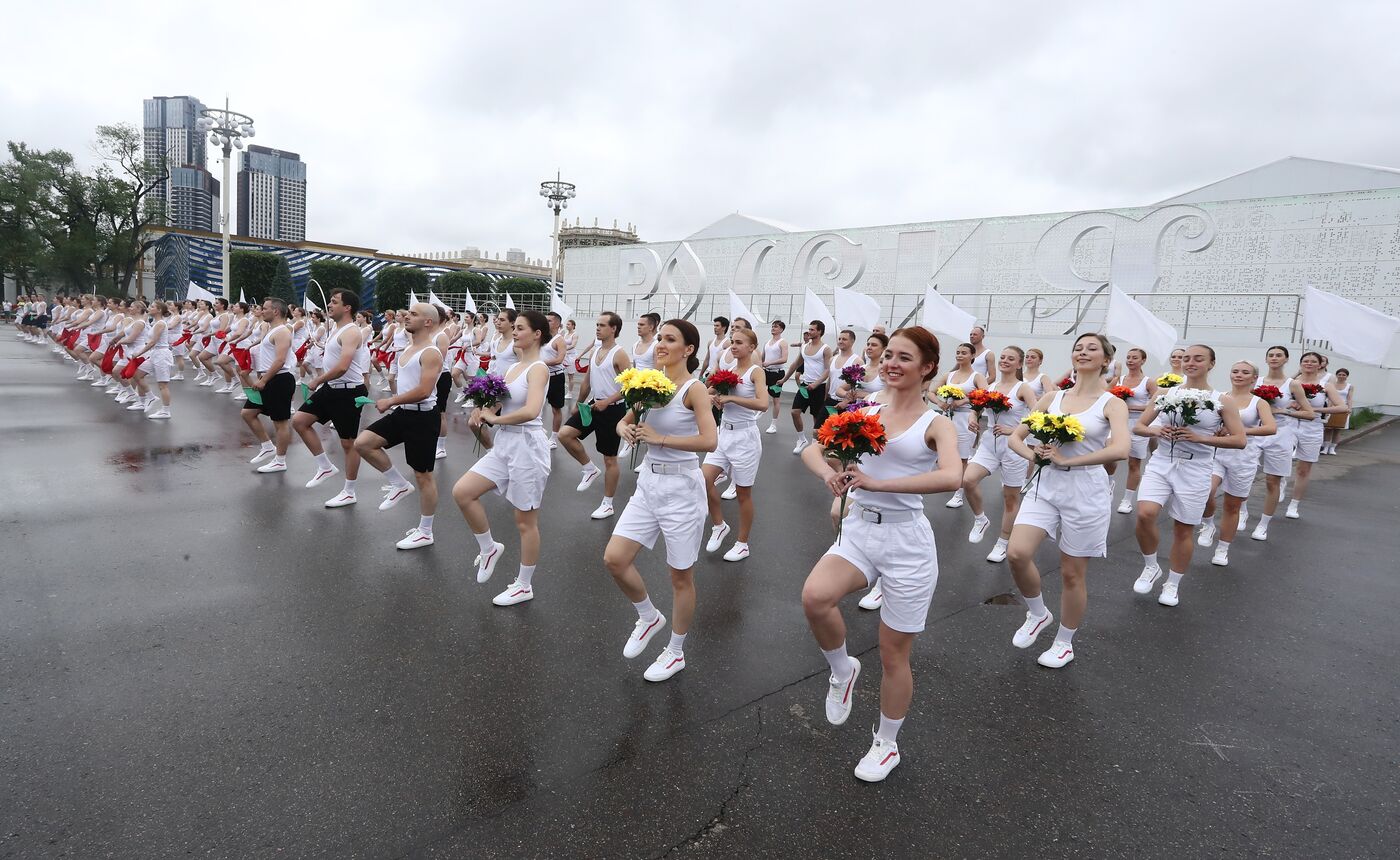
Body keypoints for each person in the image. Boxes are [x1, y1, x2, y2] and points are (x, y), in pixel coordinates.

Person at [799, 326, 961, 782]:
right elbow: (814, 449)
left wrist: (879, 484)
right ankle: (842, 669)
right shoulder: (863, 410)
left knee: (893, 653)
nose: (891, 363)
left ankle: (886, 743)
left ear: (928, 367)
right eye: (888, 355)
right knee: (815, 598)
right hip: (858, 531)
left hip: (906, 543)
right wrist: (829, 477)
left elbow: (952, 476)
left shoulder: (937, 424)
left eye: (904, 357)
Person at [1004, 333, 1130, 669]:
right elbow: (1017, 437)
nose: (1083, 352)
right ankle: (1037, 613)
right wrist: (1035, 452)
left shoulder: (1111, 403)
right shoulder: (1051, 398)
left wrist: (1068, 460)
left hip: (1085, 491)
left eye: (1092, 349)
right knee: (1016, 553)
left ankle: (1064, 642)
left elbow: (1120, 449)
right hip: (1046, 485)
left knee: (1072, 573)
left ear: (1106, 360)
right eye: (1078, 348)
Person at [603, 319, 717, 682]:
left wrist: (661, 440)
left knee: (680, 576)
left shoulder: (693, 389)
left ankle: (676, 651)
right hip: (648, 484)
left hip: (682, 488)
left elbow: (710, 441)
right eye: (661, 339)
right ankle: (649, 616)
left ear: (688, 350)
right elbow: (625, 420)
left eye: (670, 339)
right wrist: (627, 429)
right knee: (615, 559)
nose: (661, 345)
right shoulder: (647, 382)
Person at [1131, 344, 1245, 607]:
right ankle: (1151, 566)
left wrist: (1201, 438)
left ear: (1211, 364)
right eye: (1186, 358)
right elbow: (1139, 426)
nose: (1189, 362)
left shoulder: (1222, 400)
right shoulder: (1164, 392)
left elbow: (1240, 440)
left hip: (1196, 467)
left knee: (1183, 529)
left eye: (1198, 359)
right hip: (1161, 462)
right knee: (1145, 513)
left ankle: (1173, 583)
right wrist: (1156, 432)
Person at [454, 310, 553, 604]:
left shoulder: (539, 368)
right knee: (463, 492)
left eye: (520, 328)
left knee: (525, 521)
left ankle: (524, 584)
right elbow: (500, 405)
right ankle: (489, 548)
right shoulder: (512, 369)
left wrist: (494, 420)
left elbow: (532, 410)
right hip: (505, 444)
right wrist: (482, 412)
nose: (515, 332)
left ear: (537, 334)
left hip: (528, 446)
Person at [353, 303, 446, 548]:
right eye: (407, 313)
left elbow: (425, 391)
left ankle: (426, 531)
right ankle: (398, 484)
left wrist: (391, 400)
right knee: (363, 443)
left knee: (423, 475)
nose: (407, 316)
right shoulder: (409, 347)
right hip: (403, 413)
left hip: (423, 417)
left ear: (428, 322)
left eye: (414, 314)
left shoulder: (430, 352)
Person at [293, 289, 369, 507]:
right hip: (331, 388)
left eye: (334, 302)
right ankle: (325, 466)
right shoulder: (336, 329)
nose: (329, 305)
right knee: (299, 421)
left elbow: (343, 367)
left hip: (349, 391)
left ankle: (349, 491)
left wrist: (318, 380)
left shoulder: (352, 331)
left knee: (348, 443)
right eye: (329, 301)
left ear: (348, 308)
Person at [963, 347, 1039, 562]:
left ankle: (1002, 542)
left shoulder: (1022, 388)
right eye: (1003, 357)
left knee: (1010, 498)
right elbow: (976, 406)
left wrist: (1014, 431)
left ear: (1019, 364)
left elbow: (1038, 415)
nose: (1004, 360)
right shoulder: (992, 386)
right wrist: (972, 417)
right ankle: (980, 519)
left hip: (1013, 449)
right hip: (989, 444)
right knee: (968, 480)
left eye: (1010, 358)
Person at [1196, 361, 1276, 566]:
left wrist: (1240, 430)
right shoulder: (1220, 398)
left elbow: (1270, 428)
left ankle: (1223, 548)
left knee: (1232, 506)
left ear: (1254, 378)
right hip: (1218, 454)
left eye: (1245, 372)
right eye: (1235, 371)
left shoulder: (1258, 402)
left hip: (1244, 458)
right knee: (1205, 493)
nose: (1239, 375)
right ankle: (1208, 524)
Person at [701, 326, 770, 561]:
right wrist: (711, 397)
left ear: (752, 347)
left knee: (743, 494)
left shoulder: (755, 372)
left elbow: (763, 404)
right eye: (732, 341)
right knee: (703, 480)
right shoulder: (727, 368)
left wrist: (731, 397)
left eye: (739, 342)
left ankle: (742, 543)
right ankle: (719, 526)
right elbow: (707, 391)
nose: (734, 345)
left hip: (745, 439)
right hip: (723, 435)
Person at [559, 312, 632, 520]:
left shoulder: (619, 354)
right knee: (565, 434)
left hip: (612, 409)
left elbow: (630, 387)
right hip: (592, 405)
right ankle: (589, 469)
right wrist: (579, 403)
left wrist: (607, 401)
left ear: (613, 329)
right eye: (597, 325)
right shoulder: (596, 351)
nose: (597, 328)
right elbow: (586, 382)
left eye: (602, 325)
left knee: (610, 459)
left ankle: (608, 504)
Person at [1279, 351, 1347, 519]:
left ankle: (1294, 504)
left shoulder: (1325, 386)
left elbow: (1343, 407)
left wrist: (1315, 409)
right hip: (1289, 424)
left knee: (1303, 469)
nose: (1309, 363)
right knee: (1282, 455)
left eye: (1313, 361)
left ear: (1320, 365)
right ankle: (1280, 480)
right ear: (1300, 364)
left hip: (1312, 426)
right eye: (1305, 361)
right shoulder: (1290, 383)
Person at [242, 299, 297, 473]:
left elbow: (280, 360)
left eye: (264, 308)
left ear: (275, 311)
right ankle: (267, 446)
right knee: (248, 413)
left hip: (279, 380)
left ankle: (280, 460)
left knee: (280, 423)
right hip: (270, 379)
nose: (261, 311)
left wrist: (264, 379)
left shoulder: (282, 331)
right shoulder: (271, 329)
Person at [932, 343, 985, 508]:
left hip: (965, 418)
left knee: (963, 457)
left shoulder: (976, 376)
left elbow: (985, 394)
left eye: (964, 353)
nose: (960, 355)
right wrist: (940, 404)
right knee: (941, 452)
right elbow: (931, 391)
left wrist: (965, 400)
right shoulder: (949, 374)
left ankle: (959, 494)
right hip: (947, 418)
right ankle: (945, 480)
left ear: (972, 356)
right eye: (958, 352)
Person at [1114, 348, 1159, 514]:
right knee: (1110, 458)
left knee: (1134, 463)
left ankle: (1127, 499)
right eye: (1128, 357)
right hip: (1118, 423)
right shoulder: (1119, 379)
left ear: (1143, 360)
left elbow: (1157, 404)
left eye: (1134, 358)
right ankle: (1109, 484)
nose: (1130, 360)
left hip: (1137, 424)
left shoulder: (1148, 382)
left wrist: (1132, 407)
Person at [780, 320, 832, 455]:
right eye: (809, 329)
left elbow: (828, 370)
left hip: (819, 387)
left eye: (812, 330)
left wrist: (816, 383)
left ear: (820, 331)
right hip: (804, 387)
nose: (809, 332)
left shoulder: (825, 349)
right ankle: (802, 439)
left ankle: (815, 445)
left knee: (817, 418)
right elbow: (795, 364)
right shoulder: (804, 346)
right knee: (794, 412)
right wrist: (784, 379)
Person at [126, 301, 175, 420]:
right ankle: (150, 397)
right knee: (137, 374)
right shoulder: (155, 322)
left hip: (162, 354)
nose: (149, 308)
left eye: (152, 307)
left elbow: (153, 342)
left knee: (162, 384)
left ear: (159, 310)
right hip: (155, 353)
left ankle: (165, 411)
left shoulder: (160, 323)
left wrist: (139, 353)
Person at [541, 311, 569, 449]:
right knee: (536, 404)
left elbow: (559, 359)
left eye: (550, 321)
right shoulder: (542, 337)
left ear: (558, 324)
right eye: (546, 320)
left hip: (556, 377)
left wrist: (541, 363)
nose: (547, 322)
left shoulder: (559, 340)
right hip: (541, 376)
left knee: (556, 409)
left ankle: (554, 437)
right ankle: (538, 430)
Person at [760, 320, 789, 433]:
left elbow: (784, 359)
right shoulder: (767, 342)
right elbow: (762, 357)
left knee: (776, 398)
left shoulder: (782, 342)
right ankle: (762, 408)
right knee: (759, 391)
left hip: (777, 373)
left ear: (781, 329)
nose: (773, 328)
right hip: (765, 371)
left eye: (776, 327)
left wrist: (770, 363)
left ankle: (773, 424)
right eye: (772, 326)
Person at [1322, 368, 1353, 454]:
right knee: (1328, 428)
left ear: (1347, 376)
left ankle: (1332, 448)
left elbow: (1349, 398)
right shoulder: (1331, 385)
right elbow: (1329, 397)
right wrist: (1328, 409)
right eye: (1339, 374)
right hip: (1332, 408)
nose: (1341, 376)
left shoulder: (1349, 386)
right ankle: (1325, 447)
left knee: (1337, 429)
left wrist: (1349, 408)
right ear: (1336, 375)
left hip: (1343, 409)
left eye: (1344, 375)